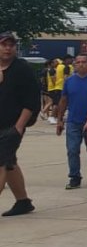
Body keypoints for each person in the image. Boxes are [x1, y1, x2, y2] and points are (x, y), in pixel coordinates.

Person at [0, 31, 38, 217]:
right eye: (4, 44)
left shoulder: (22, 68)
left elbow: (31, 101)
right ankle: (23, 202)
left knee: (1, 162)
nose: (7, 48)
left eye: (11, 45)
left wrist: (19, 126)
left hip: (12, 125)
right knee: (9, 163)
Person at [56, 54, 87, 190]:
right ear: (74, 65)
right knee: (72, 150)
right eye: (78, 62)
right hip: (73, 121)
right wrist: (60, 120)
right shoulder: (69, 81)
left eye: (84, 62)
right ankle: (74, 176)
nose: (81, 64)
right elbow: (63, 100)